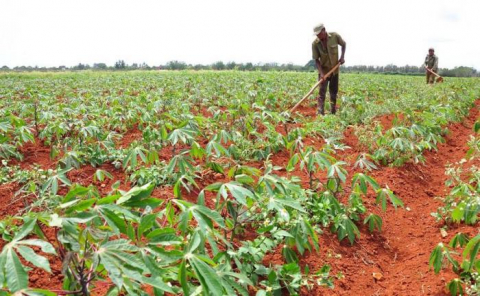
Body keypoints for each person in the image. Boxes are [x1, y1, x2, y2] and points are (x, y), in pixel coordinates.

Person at [312, 23, 346, 115]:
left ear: (324, 30)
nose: (318, 36)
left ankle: (333, 112)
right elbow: (316, 60)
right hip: (323, 71)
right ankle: (320, 113)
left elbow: (344, 44)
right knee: (321, 93)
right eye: (317, 34)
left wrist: (342, 57)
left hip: (334, 70)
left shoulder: (335, 36)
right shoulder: (315, 44)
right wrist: (322, 74)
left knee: (333, 92)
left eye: (319, 33)